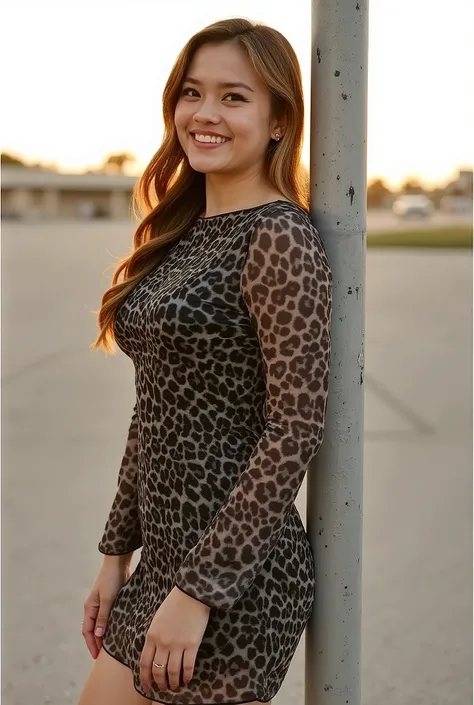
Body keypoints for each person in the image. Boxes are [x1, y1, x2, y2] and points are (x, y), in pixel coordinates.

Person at [78, 16, 332, 705]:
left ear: (280, 119)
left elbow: (295, 427)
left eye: (233, 96)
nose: (204, 113)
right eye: (192, 92)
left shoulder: (278, 235)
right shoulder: (186, 234)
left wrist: (199, 591)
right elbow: (155, 408)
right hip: (163, 562)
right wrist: (115, 555)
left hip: (235, 576)